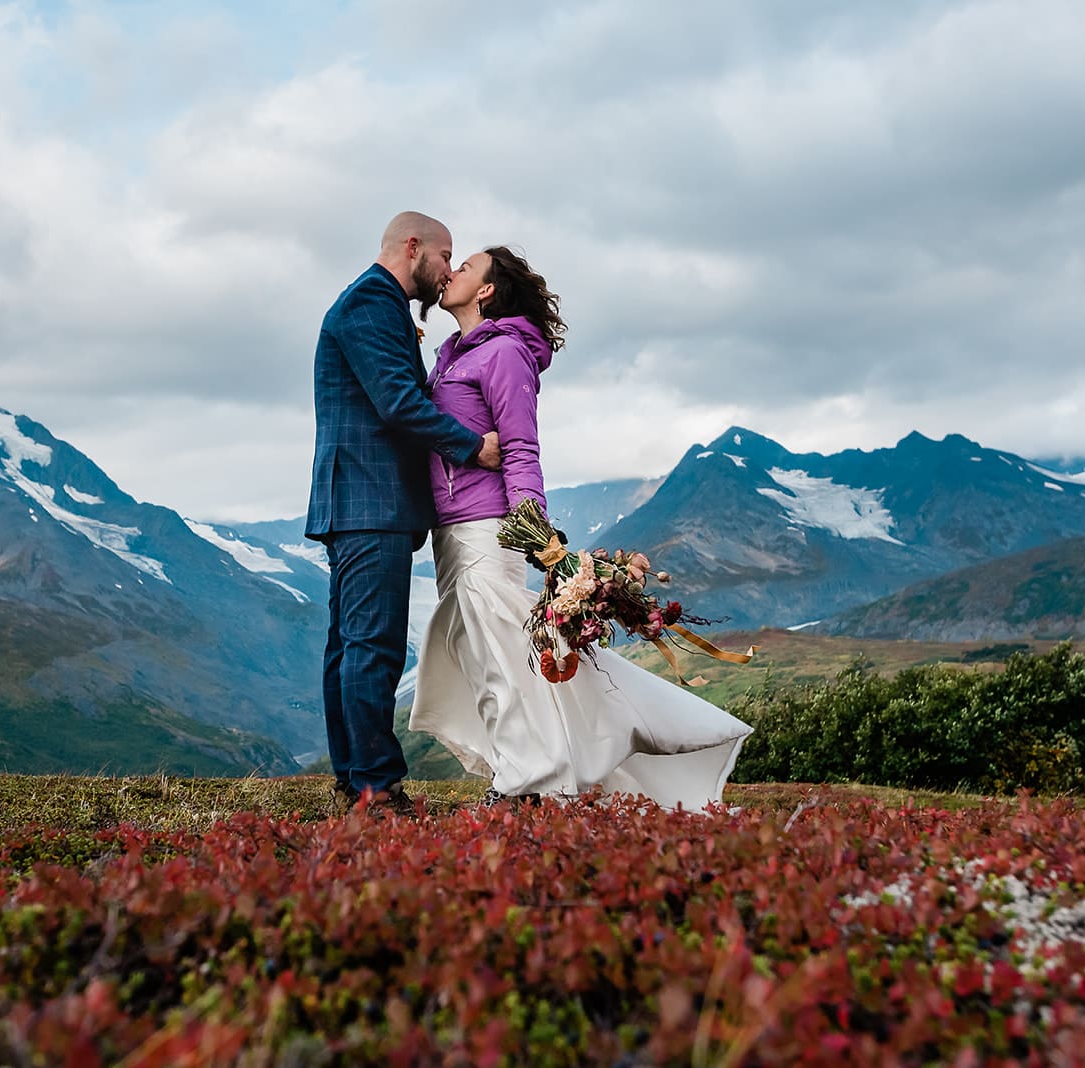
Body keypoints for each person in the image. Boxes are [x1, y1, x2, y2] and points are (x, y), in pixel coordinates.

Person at [409, 246, 753, 810]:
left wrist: (533, 531)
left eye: (465, 267)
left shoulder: (502, 355)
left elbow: (520, 447)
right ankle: (545, 768)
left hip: (486, 524)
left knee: (499, 661)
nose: (452, 274)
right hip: (451, 526)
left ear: (488, 290)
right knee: (484, 655)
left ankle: (529, 784)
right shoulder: (450, 354)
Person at [305, 212, 502, 814]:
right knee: (374, 646)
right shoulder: (370, 303)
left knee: (350, 644)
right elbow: (398, 401)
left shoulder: (375, 303)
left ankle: (356, 780)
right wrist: (475, 447)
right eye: (446, 257)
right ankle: (376, 787)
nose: (447, 272)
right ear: (413, 248)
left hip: (361, 499)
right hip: (369, 499)